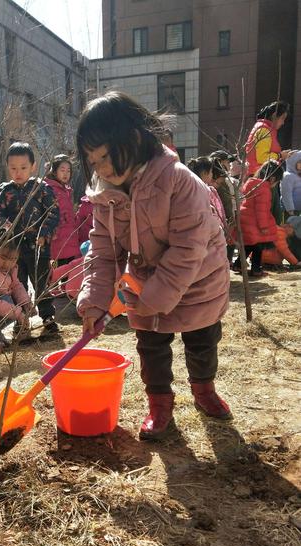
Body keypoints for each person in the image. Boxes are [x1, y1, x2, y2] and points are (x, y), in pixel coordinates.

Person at [76, 91, 231, 440]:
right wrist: (94, 301)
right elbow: (101, 253)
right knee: (151, 347)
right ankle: (159, 406)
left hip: (198, 280)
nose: (100, 168)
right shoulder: (105, 196)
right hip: (144, 282)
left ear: (132, 139)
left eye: (104, 157)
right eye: (92, 160)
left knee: (202, 340)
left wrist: (157, 295)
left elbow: (188, 247)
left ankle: (204, 390)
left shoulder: (179, 180)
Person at [0, 142, 60, 334]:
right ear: (7, 167)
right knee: (17, 283)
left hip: (38, 245)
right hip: (14, 249)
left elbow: (53, 212)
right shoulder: (5, 191)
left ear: (33, 166)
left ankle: (48, 316)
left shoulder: (42, 188)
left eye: (23, 168)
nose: (18, 172)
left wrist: (44, 233)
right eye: (13, 168)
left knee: (41, 281)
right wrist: (8, 230)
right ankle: (20, 318)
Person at [0, 233, 35, 345]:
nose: (7, 263)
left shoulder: (12, 269)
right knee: (9, 302)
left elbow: (16, 285)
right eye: (3, 258)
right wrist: (17, 313)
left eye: (13, 259)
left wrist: (26, 302)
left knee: (17, 304)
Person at [234, 160, 284, 277]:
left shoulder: (252, 184)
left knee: (249, 245)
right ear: (272, 179)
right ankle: (256, 269)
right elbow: (261, 210)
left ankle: (238, 264)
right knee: (258, 246)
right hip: (255, 222)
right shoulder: (264, 189)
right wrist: (264, 227)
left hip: (246, 219)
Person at [44, 154, 80, 265]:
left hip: (69, 237)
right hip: (58, 239)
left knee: (70, 274)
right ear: (54, 171)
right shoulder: (49, 189)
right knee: (59, 273)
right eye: (62, 170)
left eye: (68, 171)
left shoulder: (67, 190)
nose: (66, 174)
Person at [186, 156, 227, 229]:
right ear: (205, 173)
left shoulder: (190, 189)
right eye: (211, 172)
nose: (212, 174)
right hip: (211, 230)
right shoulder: (206, 191)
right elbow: (216, 213)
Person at [280, 150, 301, 216]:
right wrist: (290, 210)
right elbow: (286, 194)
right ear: (293, 162)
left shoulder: (298, 175)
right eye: (300, 162)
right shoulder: (288, 176)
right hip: (290, 211)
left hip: (298, 210)